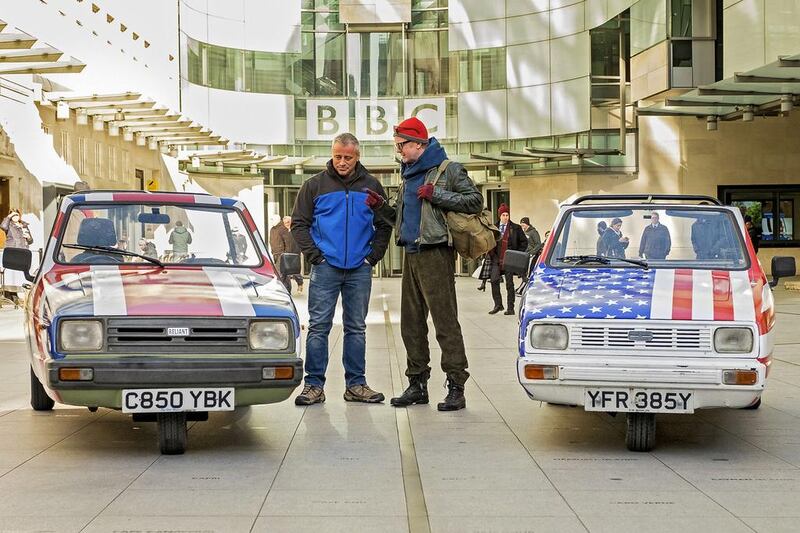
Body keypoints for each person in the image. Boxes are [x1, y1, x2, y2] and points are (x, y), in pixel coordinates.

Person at [365, 116, 483, 411]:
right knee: (411, 325)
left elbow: (475, 202)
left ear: (418, 143)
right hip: (412, 255)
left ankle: (457, 386)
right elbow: (403, 222)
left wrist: (438, 194)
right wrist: (381, 208)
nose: (399, 151)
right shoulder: (408, 175)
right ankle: (417, 384)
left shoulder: (448, 169)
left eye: (401, 145)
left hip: (436, 254)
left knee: (445, 323)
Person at [291, 132, 392, 405]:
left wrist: (373, 257)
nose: (342, 162)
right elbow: (298, 224)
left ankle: (356, 385)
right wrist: (315, 256)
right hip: (326, 268)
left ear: (357, 157)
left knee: (356, 328)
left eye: (348, 157)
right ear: (332, 154)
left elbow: (385, 224)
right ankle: (313, 386)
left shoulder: (371, 186)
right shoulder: (314, 185)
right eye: (338, 156)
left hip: (359, 268)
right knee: (319, 327)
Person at [487, 204, 527, 315]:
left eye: (507, 215)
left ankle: (510, 308)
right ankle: (498, 305)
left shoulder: (515, 228)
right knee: (494, 280)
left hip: (509, 259)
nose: (506, 217)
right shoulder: (494, 227)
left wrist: (517, 254)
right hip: (496, 258)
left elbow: (524, 242)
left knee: (509, 284)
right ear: (499, 216)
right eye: (503, 215)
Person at [1, 209, 33, 304]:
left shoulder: (24, 225)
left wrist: (29, 237)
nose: (15, 217)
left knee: (21, 271)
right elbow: (3, 226)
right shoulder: (9, 225)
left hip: (23, 250)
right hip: (13, 250)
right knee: (12, 272)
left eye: (16, 215)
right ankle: (11, 293)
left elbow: (31, 241)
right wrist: (9, 217)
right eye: (13, 215)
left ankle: (19, 292)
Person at [269, 215, 304, 294]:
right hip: (275, 254)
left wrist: (286, 255)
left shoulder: (283, 229)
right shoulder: (272, 229)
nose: (271, 221)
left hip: (283, 255)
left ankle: (287, 290)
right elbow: (272, 242)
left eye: (272, 219)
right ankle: (287, 291)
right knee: (284, 274)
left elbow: (288, 243)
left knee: (282, 274)